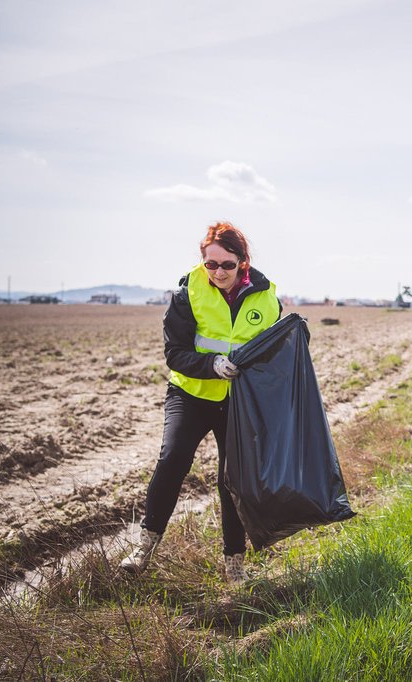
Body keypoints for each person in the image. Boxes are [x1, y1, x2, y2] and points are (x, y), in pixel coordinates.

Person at [120, 221, 280, 582]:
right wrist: (211, 364)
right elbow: (174, 353)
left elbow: (276, 350)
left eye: (226, 264)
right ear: (202, 261)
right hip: (190, 393)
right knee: (173, 458)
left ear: (243, 261)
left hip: (237, 402)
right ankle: (143, 548)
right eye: (211, 264)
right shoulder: (186, 293)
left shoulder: (267, 297)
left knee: (231, 480)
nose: (218, 272)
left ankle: (234, 565)